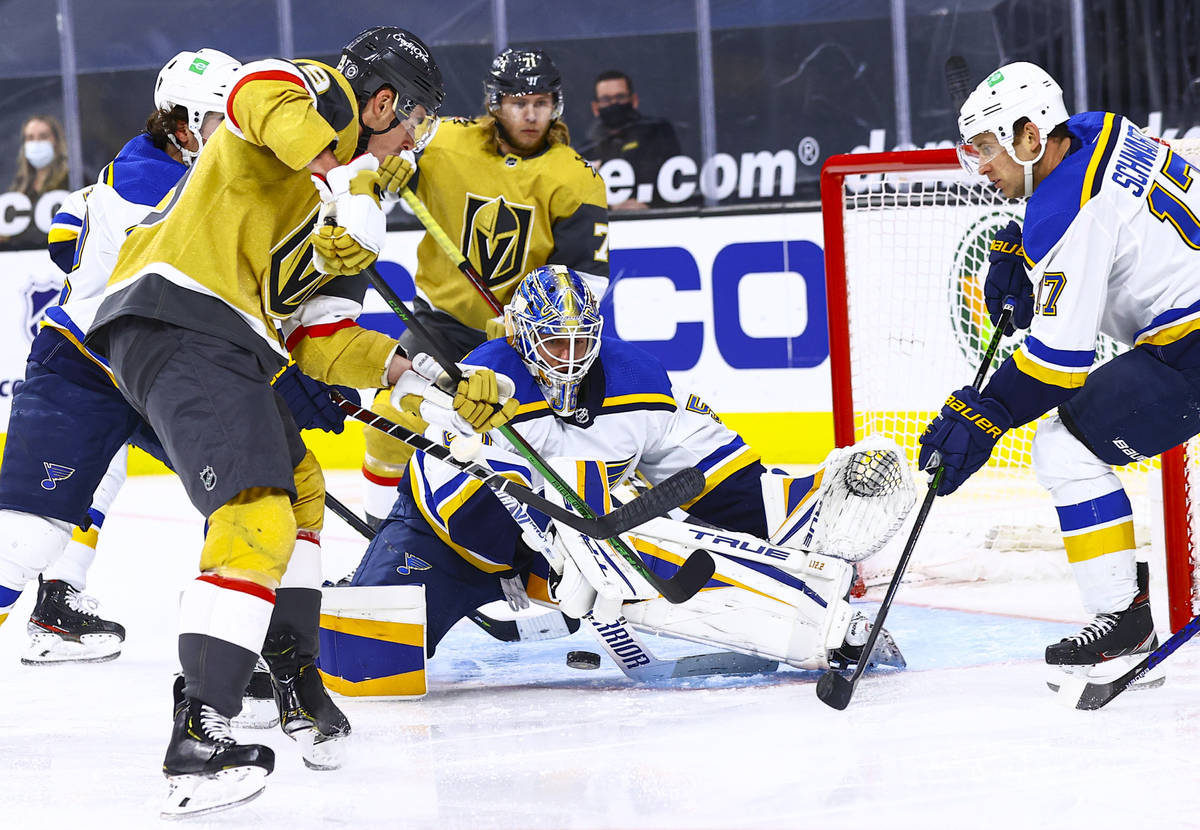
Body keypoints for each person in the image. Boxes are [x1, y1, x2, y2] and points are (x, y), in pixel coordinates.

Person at [47, 27, 506, 818]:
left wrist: (431, 377)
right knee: (253, 515)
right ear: (384, 101)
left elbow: (321, 341)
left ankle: (293, 680)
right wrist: (345, 178)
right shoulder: (320, 97)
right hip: (176, 315)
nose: (414, 141)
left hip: (234, 344)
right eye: (414, 120)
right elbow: (252, 93)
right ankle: (200, 734)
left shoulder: (357, 207)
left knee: (300, 489)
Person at [338, 265, 912, 683]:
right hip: (449, 544)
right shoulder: (484, 382)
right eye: (552, 342)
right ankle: (288, 630)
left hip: (572, 546)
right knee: (364, 668)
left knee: (642, 530)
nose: (567, 356)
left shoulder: (639, 381)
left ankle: (812, 620)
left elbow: (719, 474)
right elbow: (444, 446)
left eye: (579, 341)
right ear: (520, 337)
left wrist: (799, 507)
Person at [917, 61, 1199, 690]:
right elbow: (1099, 209)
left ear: (1029, 136)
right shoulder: (1101, 128)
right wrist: (1027, 251)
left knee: (1064, 446)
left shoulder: (1066, 212)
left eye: (988, 147)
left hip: (1193, 347)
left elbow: (1056, 366)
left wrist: (982, 415)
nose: (981, 166)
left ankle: (1122, 628)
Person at [3, 49, 244, 668]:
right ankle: (52, 602)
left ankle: (257, 651)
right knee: (25, 533)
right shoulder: (145, 181)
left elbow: (67, 230)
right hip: (86, 362)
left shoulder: (183, 169)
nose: (238, 135)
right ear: (185, 123)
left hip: (161, 369)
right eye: (224, 121)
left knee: (256, 497)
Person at [358, 47, 610, 528]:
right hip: (441, 327)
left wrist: (532, 318)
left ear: (555, 105)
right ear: (495, 102)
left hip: (528, 339)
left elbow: (587, 276)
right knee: (390, 418)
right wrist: (385, 177)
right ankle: (381, 537)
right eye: (518, 102)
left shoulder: (576, 178)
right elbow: (372, 174)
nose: (530, 114)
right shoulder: (442, 141)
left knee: (539, 444)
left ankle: (541, 548)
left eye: (540, 102)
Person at [578, 70, 682, 210]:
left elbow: (674, 182)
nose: (614, 104)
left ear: (634, 100)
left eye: (620, 97)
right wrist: (611, 209)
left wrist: (649, 207)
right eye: (606, 100)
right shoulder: (586, 152)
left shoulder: (657, 132)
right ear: (595, 108)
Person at [0, 114, 70, 247]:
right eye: (30, 138)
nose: (36, 143)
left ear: (56, 141)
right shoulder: (18, 187)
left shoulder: (72, 180)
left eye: (43, 136)